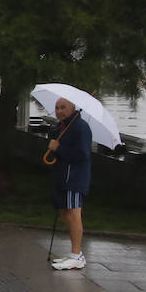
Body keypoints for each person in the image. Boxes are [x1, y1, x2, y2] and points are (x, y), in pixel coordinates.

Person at [47, 97, 92, 270]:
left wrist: (59, 148)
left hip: (74, 179)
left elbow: (82, 155)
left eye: (63, 107)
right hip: (61, 178)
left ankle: (77, 254)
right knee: (65, 213)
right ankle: (75, 251)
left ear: (73, 108)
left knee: (74, 214)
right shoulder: (62, 128)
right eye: (57, 107)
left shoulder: (81, 128)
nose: (59, 111)